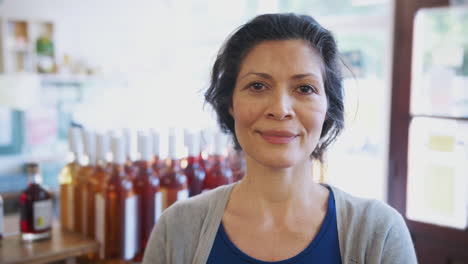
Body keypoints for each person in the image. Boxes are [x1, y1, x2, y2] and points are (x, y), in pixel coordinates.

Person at [143, 13, 417, 264]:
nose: (280, 109)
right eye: (258, 86)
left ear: (328, 107)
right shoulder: (177, 228)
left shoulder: (379, 232)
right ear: (230, 103)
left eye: (304, 88)